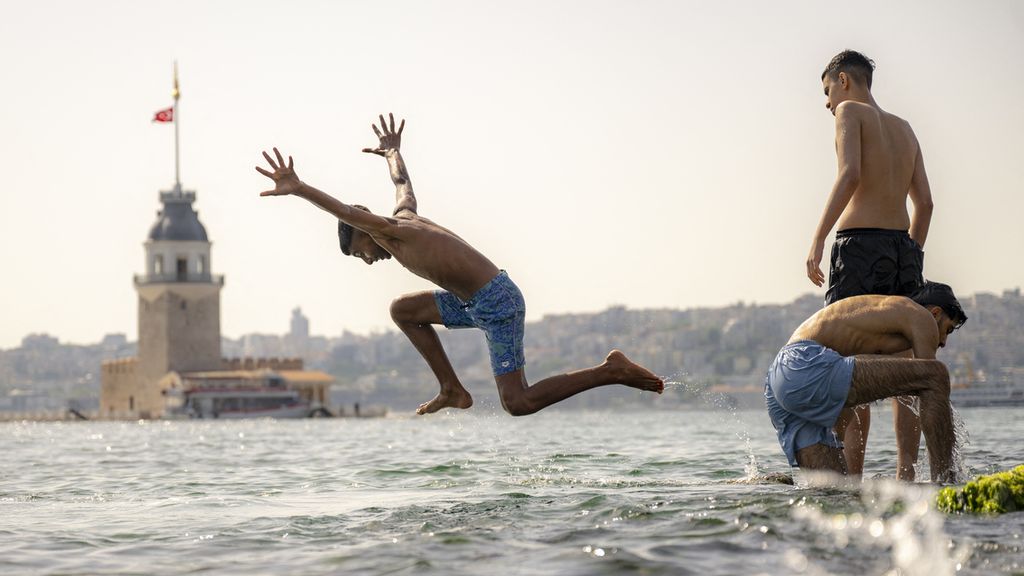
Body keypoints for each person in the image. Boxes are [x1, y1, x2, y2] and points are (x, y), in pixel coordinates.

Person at [255, 114, 664, 415]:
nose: (366, 260)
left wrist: (299, 188)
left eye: (358, 252)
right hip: (470, 301)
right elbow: (402, 185)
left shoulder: (386, 231)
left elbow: (343, 208)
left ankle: (610, 370)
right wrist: (392, 152)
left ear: (361, 233)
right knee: (403, 310)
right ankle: (451, 388)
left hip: (497, 301)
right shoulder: (404, 217)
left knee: (518, 402)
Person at [804, 50, 935, 480]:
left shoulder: (849, 111)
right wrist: (909, 256)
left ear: (844, 80)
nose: (827, 104)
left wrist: (819, 237)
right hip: (901, 249)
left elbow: (850, 174)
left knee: (849, 367)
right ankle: (907, 473)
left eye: (827, 91)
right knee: (905, 368)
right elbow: (926, 204)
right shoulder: (905, 129)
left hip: (858, 247)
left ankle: (849, 478)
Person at [764, 282, 967, 483]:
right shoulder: (922, 317)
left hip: (779, 379)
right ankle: (947, 482)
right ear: (936, 313)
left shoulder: (885, 316)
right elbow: (930, 381)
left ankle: (759, 482)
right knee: (937, 375)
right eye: (948, 330)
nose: (943, 342)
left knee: (835, 491)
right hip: (805, 363)